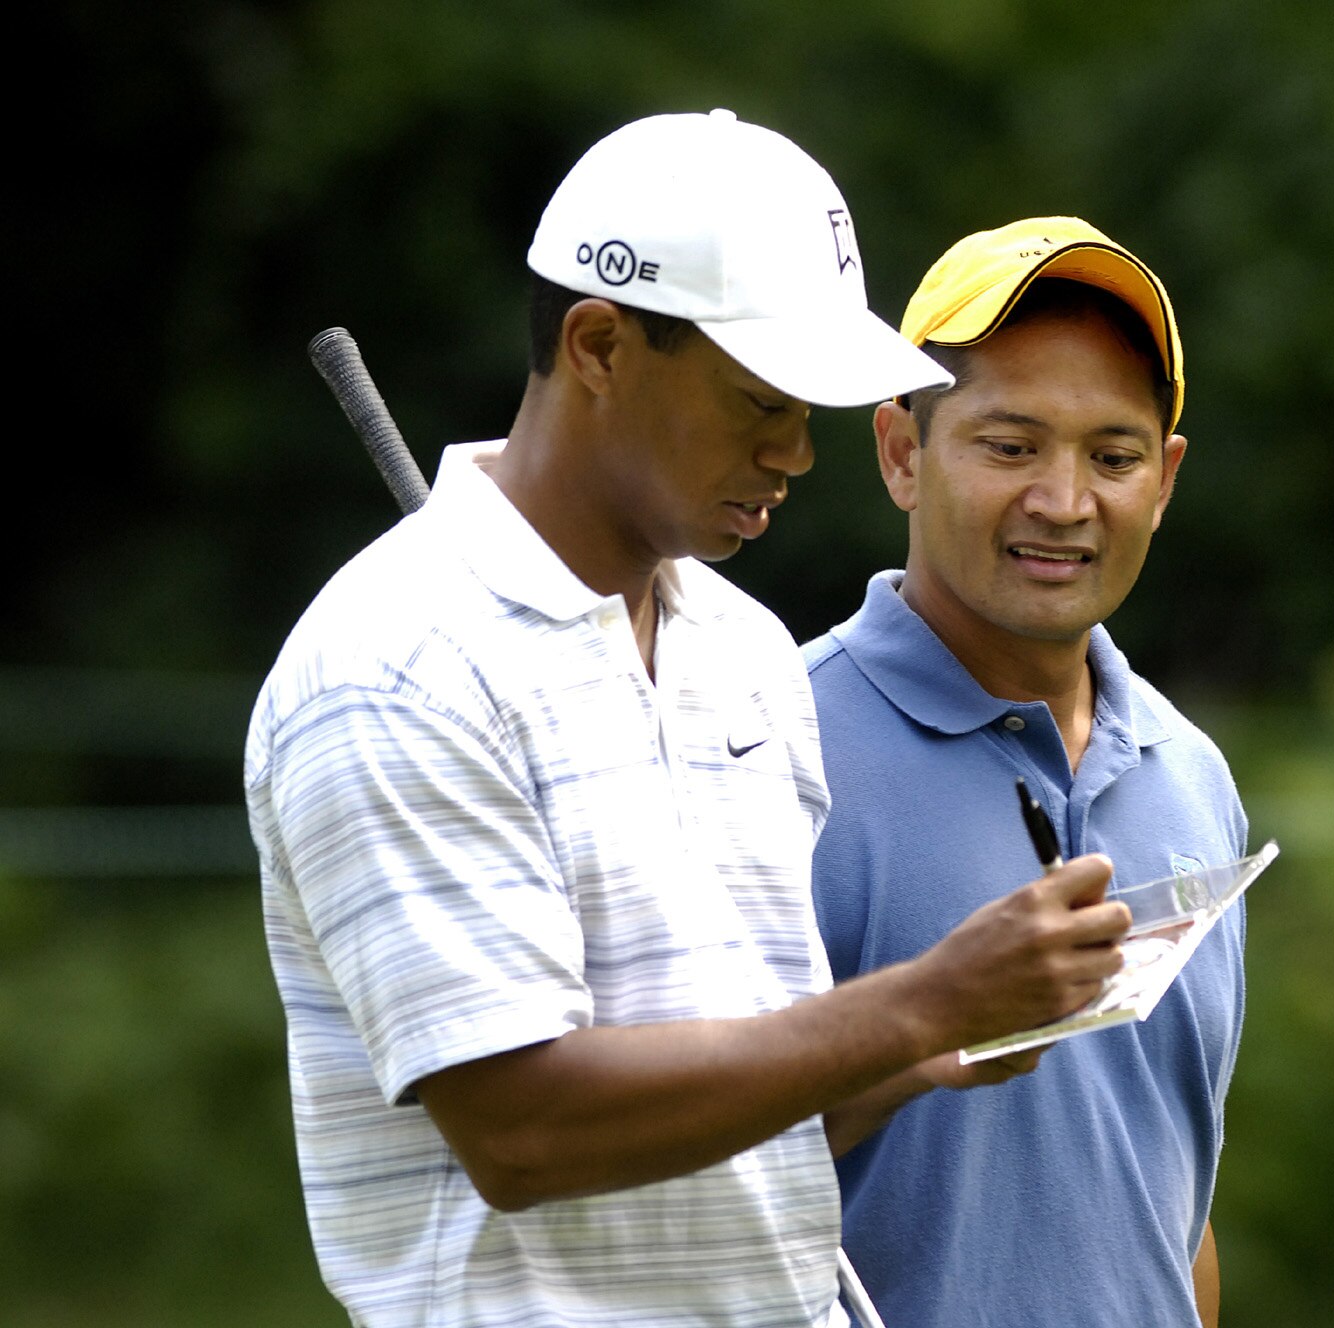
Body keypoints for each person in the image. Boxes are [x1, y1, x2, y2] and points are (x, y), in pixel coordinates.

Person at [245, 113, 1132, 1328]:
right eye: (759, 401)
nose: (795, 453)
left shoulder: (744, 651)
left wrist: (908, 1056)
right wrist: (918, 1000)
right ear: (601, 344)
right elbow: (522, 1130)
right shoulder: (391, 669)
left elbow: (737, 1117)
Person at [806, 217, 1249, 1327]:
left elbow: (1173, 1203)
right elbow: (668, 1173)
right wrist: (921, 1032)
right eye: (1009, 446)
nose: (1062, 501)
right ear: (901, 451)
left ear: (1166, 477)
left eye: (1112, 455)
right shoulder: (764, 743)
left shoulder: (1189, 774)